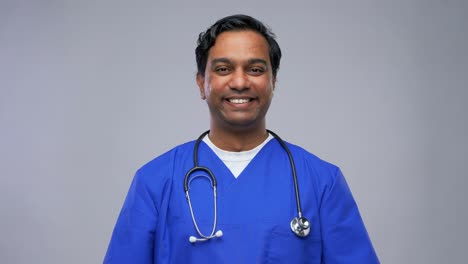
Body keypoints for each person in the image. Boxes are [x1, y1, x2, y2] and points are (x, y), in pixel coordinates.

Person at [104, 14, 379, 263]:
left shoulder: (321, 182)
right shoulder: (155, 181)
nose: (240, 82)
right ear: (202, 83)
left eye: (255, 70)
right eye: (223, 69)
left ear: (274, 81)